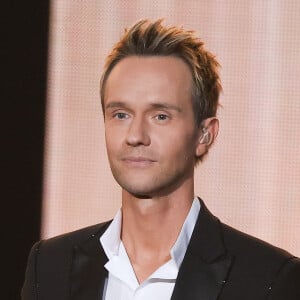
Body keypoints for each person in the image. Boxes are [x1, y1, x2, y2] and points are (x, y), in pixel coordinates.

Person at [22, 19, 300, 300]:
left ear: (204, 135)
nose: (136, 135)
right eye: (121, 114)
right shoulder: (49, 266)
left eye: (160, 116)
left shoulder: (267, 278)